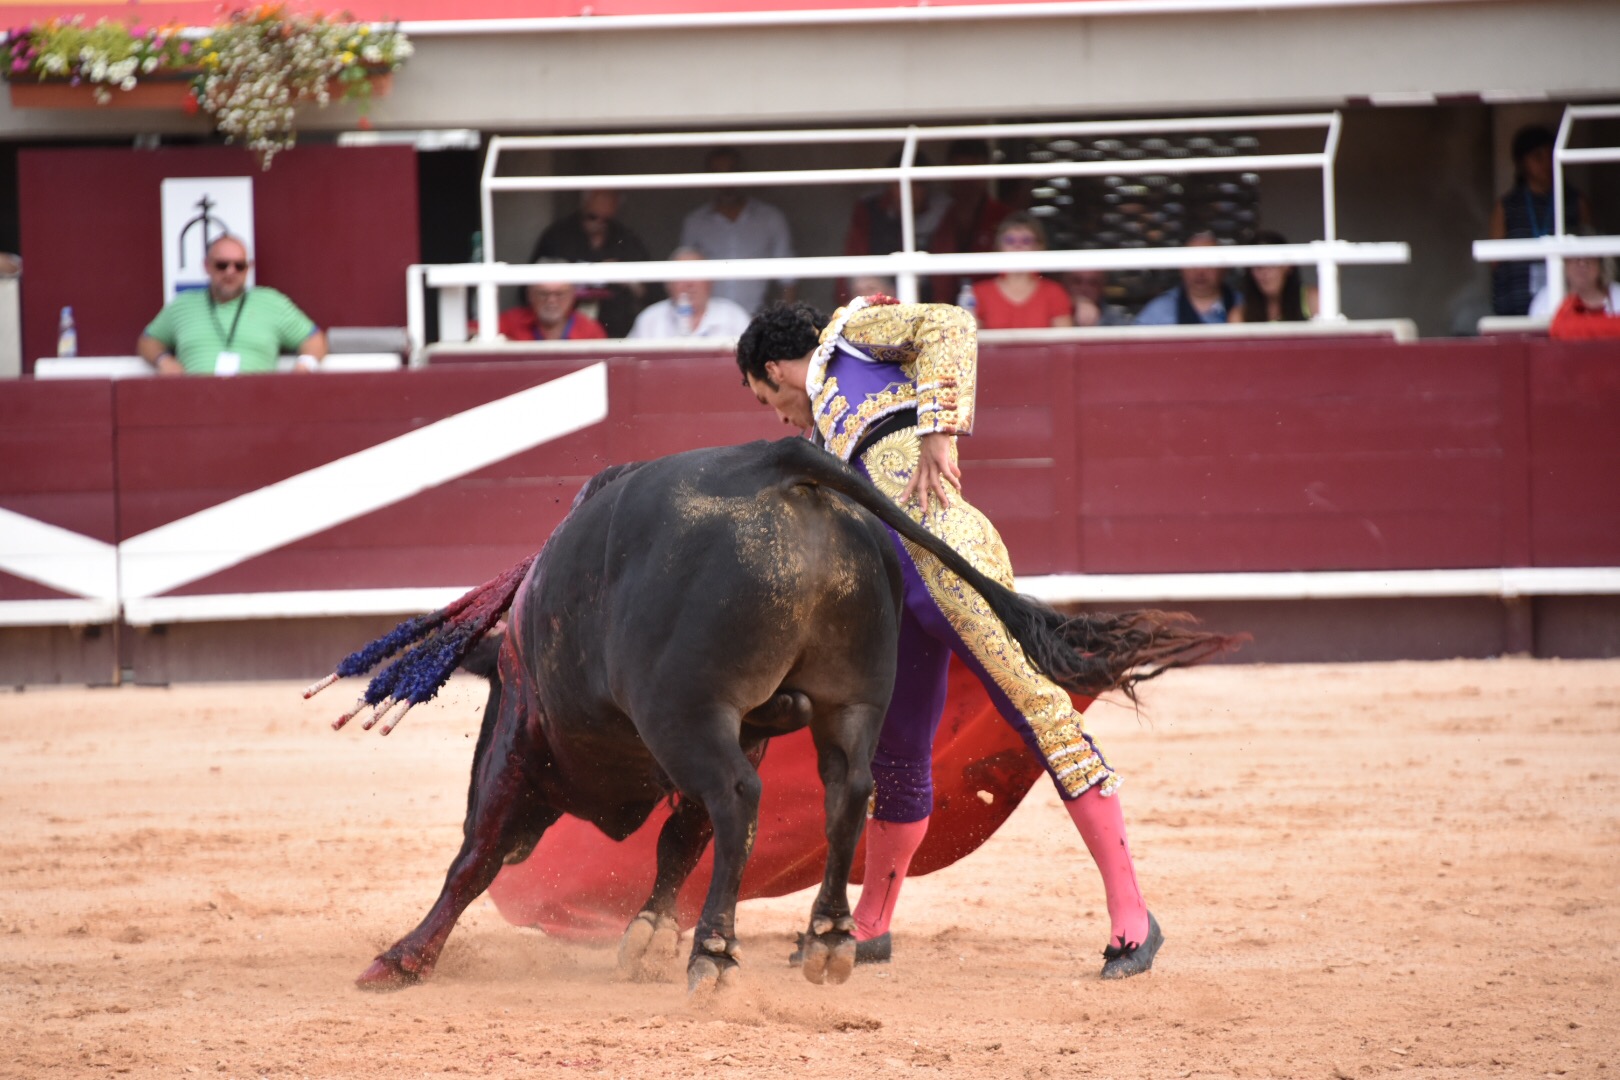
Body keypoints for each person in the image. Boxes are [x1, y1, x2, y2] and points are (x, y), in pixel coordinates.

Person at [736, 297, 1170, 979]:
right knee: (899, 754)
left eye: (767, 400)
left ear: (772, 371)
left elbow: (949, 324)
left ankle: (1134, 918)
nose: (779, 416)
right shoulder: (826, 439)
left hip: (946, 550)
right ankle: (872, 925)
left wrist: (940, 433)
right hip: (889, 590)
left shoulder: (850, 337)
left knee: (1039, 711)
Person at [137, 235, 325, 376]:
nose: (230, 272)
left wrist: (304, 366)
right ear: (207, 266)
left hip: (258, 407)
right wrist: (164, 361)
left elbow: (314, 339)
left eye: (239, 266)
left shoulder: (271, 302)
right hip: (194, 407)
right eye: (222, 265)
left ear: (249, 268)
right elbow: (148, 341)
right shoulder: (183, 304)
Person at [1489, 124, 1592, 317]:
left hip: (1567, 304)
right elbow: (1496, 262)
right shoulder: (1506, 206)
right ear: (1521, 163)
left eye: (1550, 156)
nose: (1546, 163)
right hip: (1515, 306)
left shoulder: (1575, 202)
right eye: (1538, 157)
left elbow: (1589, 249)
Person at [678, 147, 796, 314]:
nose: (726, 182)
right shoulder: (695, 222)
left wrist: (786, 325)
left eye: (731, 172)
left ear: (743, 173)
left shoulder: (770, 218)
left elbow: (788, 278)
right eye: (717, 174)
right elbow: (684, 277)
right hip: (710, 321)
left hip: (756, 319)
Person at [528, 190, 652, 338]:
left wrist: (625, 276)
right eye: (592, 217)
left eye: (606, 220)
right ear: (583, 207)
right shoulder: (557, 236)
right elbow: (528, 288)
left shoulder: (626, 238)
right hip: (566, 330)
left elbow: (650, 292)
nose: (599, 223)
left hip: (618, 328)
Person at [841, 151, 948, 302]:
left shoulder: (941, 211)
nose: (908, 191)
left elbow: (944, 279)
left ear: (927, 188)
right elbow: (853, 263)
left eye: (917, 185)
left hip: (926, 302)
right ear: (889, 185)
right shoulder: (869, 209)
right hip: (879, 300)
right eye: (899, 184)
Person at [926, 138, 1012, 302]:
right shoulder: (939, 217)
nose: (966, 181)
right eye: (960, 172)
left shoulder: (1004, 218)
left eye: (972, 172)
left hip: (992, 309)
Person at [970, 213, 1074, 330]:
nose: (1017, 246)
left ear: (1038, 248)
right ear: (999, 247)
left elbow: (1064, 345)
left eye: (1026, 240)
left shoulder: (1054, 292)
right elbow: (970, 343)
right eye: (1010, 240)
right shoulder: (978, 293)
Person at [626, 248, 752, 339]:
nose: (689, 284)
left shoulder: (734, 317)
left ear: (710, 281)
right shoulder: (650, 319)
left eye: (696, 274)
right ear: (668, 284)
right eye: (681, 275)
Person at [1134, 231, 1238, 326]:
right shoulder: (1158, 312)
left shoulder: (1243, 306)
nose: (1200, 272)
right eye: (1192, 262)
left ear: (1224, 267)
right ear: (1181, 267)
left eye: (1208, 263)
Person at [497, 264, 608, 342]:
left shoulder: (590, 330)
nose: (551, 300)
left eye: (559, 294)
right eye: (543, 294)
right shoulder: (510, 321)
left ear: (572, 296)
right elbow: (479, 333)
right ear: (530, 295)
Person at [1230, 231, 1318, 323]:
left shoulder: (1312, 299)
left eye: (1271, 264)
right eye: (1258, 266)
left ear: (1288, 266)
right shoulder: (1239, 315)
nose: (1264, 272)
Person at [1531, 254, 1620, 341]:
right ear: (1564, 263)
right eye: (1574, 258)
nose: (1582, 263)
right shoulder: (1545, 298)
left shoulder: (1617, 294)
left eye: (1588, 258)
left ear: (1600, 263)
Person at [1063, 269, 1132, 327]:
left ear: (1101, 287)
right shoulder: (1055, 314)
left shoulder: (1118, 317)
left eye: (1093, 283)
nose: (1084, 288)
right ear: (1066, 283)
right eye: (1077, 281)